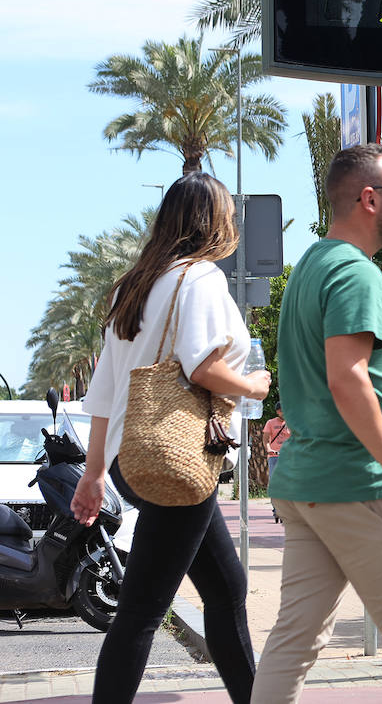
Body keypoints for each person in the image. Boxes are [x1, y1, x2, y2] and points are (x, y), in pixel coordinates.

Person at [252, 144, 382, 704]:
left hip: (310, 487)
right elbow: (348, 379)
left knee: (295, 638)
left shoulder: (309, 268)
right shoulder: (354, 275)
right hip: (358, 488)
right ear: (370, 199)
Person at [71, 172, 268, 704]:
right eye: (229, 213)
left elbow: (104, 394)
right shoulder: (200, 279)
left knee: (227, 588)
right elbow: (202, 367)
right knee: (141, 608)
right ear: (214, 221)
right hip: (179, 455)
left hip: (131, 458)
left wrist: (93, 475)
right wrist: (252, 383)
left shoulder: (130, 288)